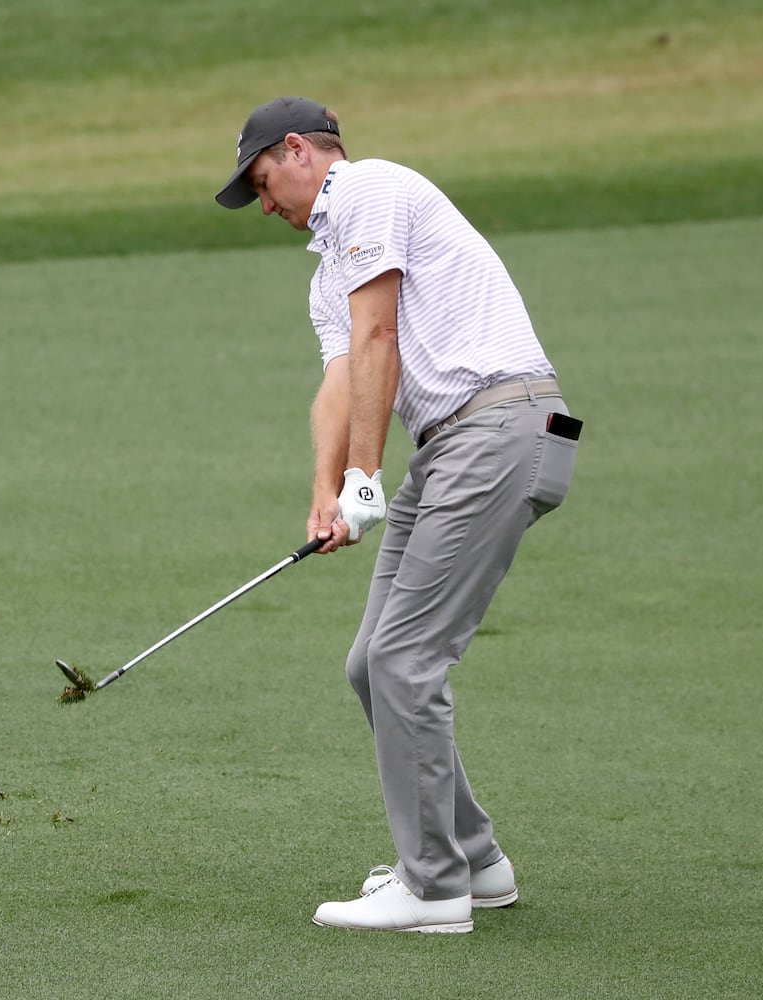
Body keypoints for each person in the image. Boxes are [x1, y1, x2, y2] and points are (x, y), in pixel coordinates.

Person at [215, 97, 581, 933]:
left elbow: (380, 339)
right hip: (456, 445)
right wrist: (325, 489)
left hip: (498, 426)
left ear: (300, 150)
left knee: (406, 660)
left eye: (263, 181)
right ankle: (477, 861)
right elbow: (341, 381)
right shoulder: (327, 274)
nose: (264, 204)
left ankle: (435, 888)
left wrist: (364, 476)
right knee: (370, 665)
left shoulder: (370, 189)